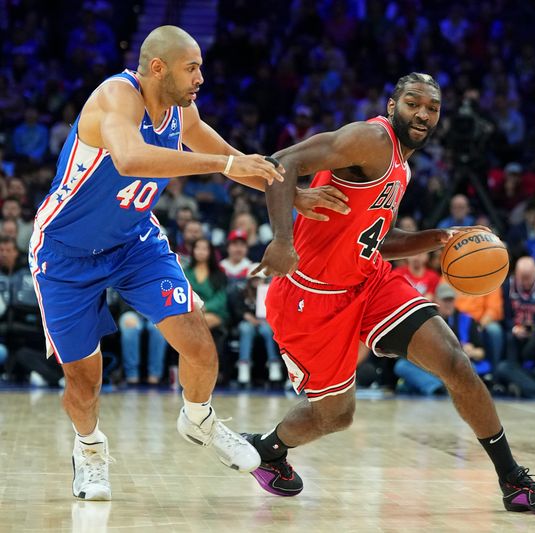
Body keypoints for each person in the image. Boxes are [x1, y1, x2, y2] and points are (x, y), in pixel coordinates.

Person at [27, 25, 347, 501]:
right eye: (191, 67)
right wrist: (223, 167)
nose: (201, 76)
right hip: (64, 253)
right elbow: (132, 159)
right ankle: (89, 449)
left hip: (134, 242)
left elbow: (233, 158)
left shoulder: (183, 111)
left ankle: (198, 419)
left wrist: (292, 195)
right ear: (158, 67)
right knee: (84, 378)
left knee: (198, 342)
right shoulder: (115, 96)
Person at [245, 73, 535, 514]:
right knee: (336, 415)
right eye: (414, 102)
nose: (423, 113)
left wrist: (439, 237)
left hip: (369, 280)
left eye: (432, 108)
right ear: (393, 102)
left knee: (454, 360)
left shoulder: (402, 164)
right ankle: (268, 450)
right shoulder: (371, 139)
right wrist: (282, 239)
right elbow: (279, 162)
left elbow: (377, 238)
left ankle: (514, 481)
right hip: (310, 293)